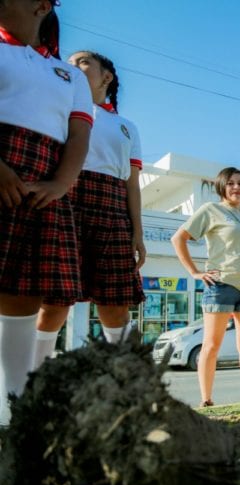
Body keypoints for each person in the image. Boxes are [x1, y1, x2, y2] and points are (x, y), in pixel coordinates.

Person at [0, 0, 92, 425]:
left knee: (23, 293)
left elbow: (79, 134)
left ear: (41, 5)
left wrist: (61, 183)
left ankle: (15, 411)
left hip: (43, 186)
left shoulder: (69, 75)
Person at [33, 50, 145, 364]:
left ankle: (123, 379)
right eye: (69, 62)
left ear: (106, 77)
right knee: (54, 302)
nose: (72, 65)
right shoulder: (58, 108)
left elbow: (132, 184)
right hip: (65, 203)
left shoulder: (126, 126)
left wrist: (137, 233)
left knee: (115, 304)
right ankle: (33, 379)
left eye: (82, 61)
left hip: (113, 212)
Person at [171, 167, 240, 407]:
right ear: (222, 187)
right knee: (211, 345)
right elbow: (178, 238)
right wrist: (195, 272)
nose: (237, 187)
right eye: (231, 183)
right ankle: (206, 399)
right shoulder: (211, 210)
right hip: (221, 285)